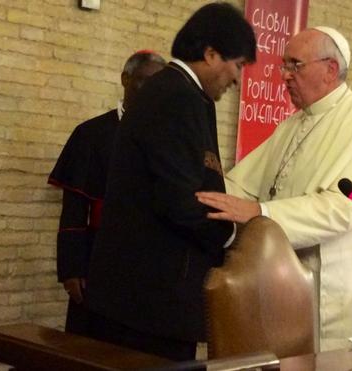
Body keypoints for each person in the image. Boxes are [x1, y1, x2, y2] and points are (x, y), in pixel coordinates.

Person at [196, 27, 352, 351]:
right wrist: (203, 191)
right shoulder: (292, 125)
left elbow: (342, 209)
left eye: (294, 65)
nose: (284, 76)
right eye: (283, 66)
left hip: (349, 280)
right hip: (295, 276)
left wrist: (262, 213)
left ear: (330, 69)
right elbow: (246, 184)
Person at [85, 2, 256, 361]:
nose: (238, 78)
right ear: (210, 53)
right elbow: (179, 200)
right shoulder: (175, 97)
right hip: (147, 301)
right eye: (237, 64)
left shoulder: (187, 95)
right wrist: (236, 237)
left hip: (153, 300)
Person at [48, 51, 166, 337]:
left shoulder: (170, 137)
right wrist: (71, 269)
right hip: (97, 257)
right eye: (144, 81)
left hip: (149, 264)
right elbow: (74, 209)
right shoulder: (92, 133)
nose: (151, 91)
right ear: (125, 79)